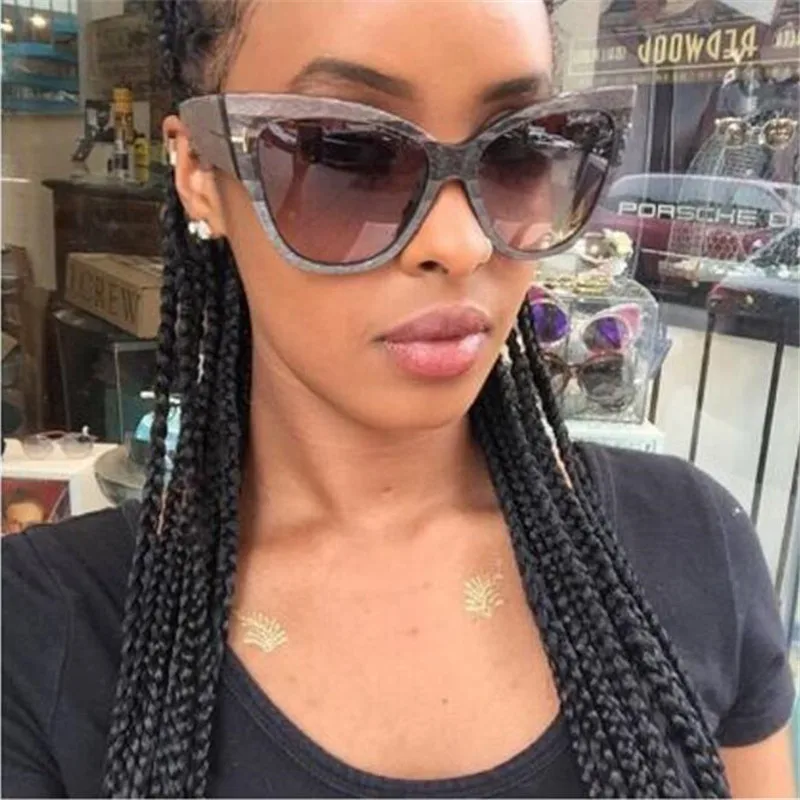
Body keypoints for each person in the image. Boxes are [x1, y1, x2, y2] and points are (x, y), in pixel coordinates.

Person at [2, 0, 796, 797]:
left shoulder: (693, 545)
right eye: (347, 154)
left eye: (519, 149)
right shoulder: (39, 632)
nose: (460, 244)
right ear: (201, 174)